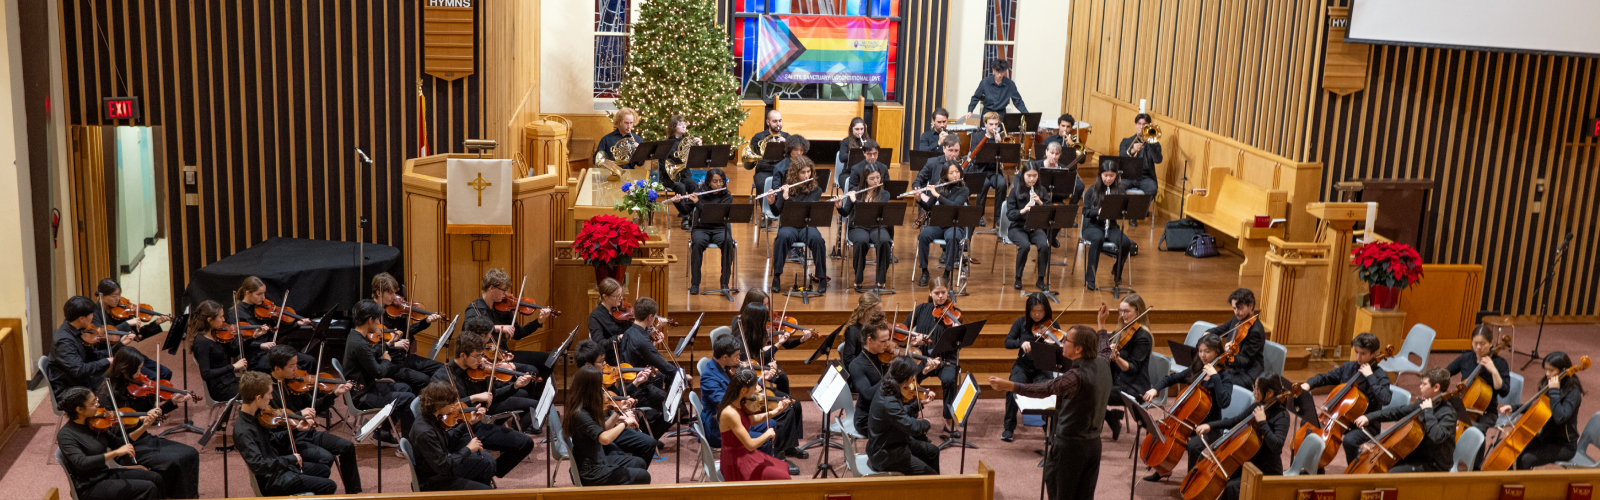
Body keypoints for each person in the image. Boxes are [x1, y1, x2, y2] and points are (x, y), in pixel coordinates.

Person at [990, 325, 1111, 500]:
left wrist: (1009, 385)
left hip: (1070, 448)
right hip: (1094, 445)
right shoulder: (1103, 363)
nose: (1062, 343)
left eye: (1066, 340)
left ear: (1078, 349)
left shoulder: (1075, 377)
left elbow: (1045, 388)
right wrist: (1102, 326)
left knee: (1061, 493)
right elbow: (1105, 348)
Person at [430, 328, 537, 477]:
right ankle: (484, 474)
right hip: (456, 432)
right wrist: (473, 398)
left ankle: (492, 473)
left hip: (477, 425)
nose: (481, 360)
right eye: (477, 356)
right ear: (462, 355)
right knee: (486, 463)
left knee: (525, 443)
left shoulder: (476, 372)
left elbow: (493, 396)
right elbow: (441, 409)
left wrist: (515, 386)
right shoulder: (442, 377)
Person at [97, 347, 202, 499]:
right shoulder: (107, 396)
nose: (143, 374)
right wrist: (145, 425)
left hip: (144, 439)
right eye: (138, 370)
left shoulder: (138, 387)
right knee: (171, 462)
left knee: (191, 453)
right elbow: (118, 438)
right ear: (124, 370)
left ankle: (186, 497)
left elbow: (150, 414)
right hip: (128, 446)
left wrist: (171, 402)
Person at [262, 345, 361, 493]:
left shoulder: (295, 384)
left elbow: (314, 407)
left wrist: (334, 394)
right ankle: (311, 488)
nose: (296, 370)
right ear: (277, 369)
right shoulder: (268, 393)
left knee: (347, 446)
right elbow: (274, 424)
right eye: (291, 366)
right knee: (326, 458)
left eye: (296, 364)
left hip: (308, 433)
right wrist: (300, 414)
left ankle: (354, 493)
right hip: (291, 440)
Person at [1140, 333, 1234, 482]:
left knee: (1193, 446)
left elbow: (1225, 402)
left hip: (1210, 426)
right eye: (1200, 351)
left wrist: (1215, 376)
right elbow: (1171, 378)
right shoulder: (1197, 368)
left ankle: (1191, 481)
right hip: (1188, 422)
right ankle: (1162, 469)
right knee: (1156, 427)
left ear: (1218, 352)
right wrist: (1155, 389)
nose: (1202, 355)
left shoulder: (1225, 376)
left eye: (1207, 351)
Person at [730, 300, 810, 466]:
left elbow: (757, 361)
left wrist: (764, 369)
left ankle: (790, 446)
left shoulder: (753, 337)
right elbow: (741, 373)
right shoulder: (741, 342)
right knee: (786, 407)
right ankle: (778, 453)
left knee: (795, 404)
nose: (766, 325)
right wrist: (761, 376)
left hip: (756, 384)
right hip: (747, 395)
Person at [233, 371, 338, 496]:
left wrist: (296, 429)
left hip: (279, 469)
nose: (271, 398)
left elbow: (272, 439)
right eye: (269, 394)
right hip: (274, 481)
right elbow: (258, 465)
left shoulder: (256, 417)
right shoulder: (244, 431)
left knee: (323, 470)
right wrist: (290, 459)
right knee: (329, 485)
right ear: (258, 398)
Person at [55, 386, 168, 500]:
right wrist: (115, 453)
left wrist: (144, 426)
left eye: (96, 400)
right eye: (93, 403)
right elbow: (82, 462)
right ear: (80, 409)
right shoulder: (66, 435)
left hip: (105, 475)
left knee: (155, 477)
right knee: (148, 488)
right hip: (90, 486)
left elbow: (118, 443)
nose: (98, 405)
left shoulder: (94, 423)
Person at [1190, 375, 1292, 500]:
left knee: (1232, 487)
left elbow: (1276, 446)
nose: (1253, 391)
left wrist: (1263, 423)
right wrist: (1210, 426)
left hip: (1266, 471)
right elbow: (1236, 420)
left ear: (1270, 393)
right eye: (1254, 387)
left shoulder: (1282, 416)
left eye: (1257, 389)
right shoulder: (1257, 406)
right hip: (1249, 463)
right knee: (1226, 476)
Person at [1301, 332, 1394, 464]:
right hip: (1341, 418)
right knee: (1308, 422)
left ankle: (1352, 472)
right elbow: (1326, 377)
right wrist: (1308, 384)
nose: (1358, 357)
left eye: (1363, 354)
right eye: (1356, 352)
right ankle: (1313, 466)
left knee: (1349, 441)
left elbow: (1385, 399)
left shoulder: (1380, 376)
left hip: (1365, 424)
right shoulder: (1349, 367)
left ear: (1374, 354)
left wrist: (1370, 376)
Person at [462, 268, 554, 388]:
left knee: (547, 360)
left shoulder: (502, 308)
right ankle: (528, 400)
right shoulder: (474, 309)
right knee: (531, 371)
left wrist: (538, 321)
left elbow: (518, 333)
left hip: (505, 353)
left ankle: (537, 400)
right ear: (491, 288)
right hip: (489, 358)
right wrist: (497, 328)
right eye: (503, 290)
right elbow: (468, 327)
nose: (506, 294)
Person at [1352, 367, 1456, 473]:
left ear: (1436, 387)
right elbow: (1397, 412)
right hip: (1416, 455)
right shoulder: (1426, 403)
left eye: (1424, 384)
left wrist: (1428, 411)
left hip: (1433, 465)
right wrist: (1369, 417)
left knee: (1389, 475)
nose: (1420, 387)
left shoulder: (1448, 413)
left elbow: (1436, 436)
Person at [574, 340, 666, 457]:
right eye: (601, 361)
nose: (605, 364)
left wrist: (636, 382)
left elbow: (616, 398)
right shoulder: (584, 388)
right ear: (588, 365)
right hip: (599, 434)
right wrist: (621, 420)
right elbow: (596, 423)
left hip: (608, 424)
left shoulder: (600, 380)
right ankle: (633, 469)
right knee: (646, 444)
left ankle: (635, 469)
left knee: (648, 443)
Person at [341, 299, 416, 442]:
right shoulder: (360, 344)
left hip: (365, 387)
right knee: (409, 399)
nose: (378, 324)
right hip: (362, 395)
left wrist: (388, 344)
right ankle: (407, 444)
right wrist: (387, 360)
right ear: (370, 320)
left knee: (406, 387)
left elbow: (370, 355)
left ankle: (384, 432)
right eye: (377, 320)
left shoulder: (354, 335)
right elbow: (379, 373)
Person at [565, 365, 652, 485]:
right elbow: (604, 439)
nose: (602, 390)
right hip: (591, 472)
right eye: (599, 386)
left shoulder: (583, 406)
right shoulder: (580, 414)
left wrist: (618, 412)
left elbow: (602, 429)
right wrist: (625, 423)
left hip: (596, 459)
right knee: (643, 476)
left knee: (639, 462)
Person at [1498, 351, 1585, 470]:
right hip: (1546, 438)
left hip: (1563, 445)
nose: (1547, 374)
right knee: (1512, 446)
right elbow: (1541, 408)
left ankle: (1523, 486)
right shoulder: (1551, 382)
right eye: (1546, 370)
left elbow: (1559, 417)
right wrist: (1515, 407)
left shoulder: (1573, 393)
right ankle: (1512, 483)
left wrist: (1554, 391)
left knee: (1526, 458)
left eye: (1551, 370)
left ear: (1564, 370)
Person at [409, 381, 498, 490]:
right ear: (439, 404)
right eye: (451, 404)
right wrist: (468, 449)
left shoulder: (432, 416)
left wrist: (468, 423)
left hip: (441, 470)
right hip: (434, 481)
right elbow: (444, 466)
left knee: (487, 464)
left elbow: (447, 440)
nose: (454, 407)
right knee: (486, 491)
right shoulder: (425, 432)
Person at [1001, 293, 1061, 442]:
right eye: (1033, 311)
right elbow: (1008, 341)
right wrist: (1020, 343)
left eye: (1040, 311)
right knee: (1012, 388)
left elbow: (1059, 349)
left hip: (1043, 367)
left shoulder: (1053, 326)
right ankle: (1009, 428)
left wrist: (1054, 343)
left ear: (1046, 310)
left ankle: (1048, 431)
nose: (1037, 314)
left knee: (1048, 393)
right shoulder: (1021, 323)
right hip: (1023, 366)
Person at [718, 366, 796, 481]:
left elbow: (751, 420)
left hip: (744, 453)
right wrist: (767, 434)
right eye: (754, 387)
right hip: (736, 461)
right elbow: (750, 445)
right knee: (783, 477)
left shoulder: (739, 402)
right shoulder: (730, 413)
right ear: (743, 390)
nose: (757, 389)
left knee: (783, 466)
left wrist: (776, 411)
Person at [765, 156, 829, 293]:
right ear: (795, 174)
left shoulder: (816, 190)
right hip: (789, 225)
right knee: (782, 238)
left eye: (808, 172)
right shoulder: (786, 189)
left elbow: (804, 209)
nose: (806, 175)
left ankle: (822, 277)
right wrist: (771, 203)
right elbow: (777, 213)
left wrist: (787, 199)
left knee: (818, 240)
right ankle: (776, 276)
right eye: (803, 172)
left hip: (808, 225)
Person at [870, 356, 942, 476]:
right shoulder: (889, 401)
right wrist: (926, 423)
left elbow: (900, 412)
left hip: (895, 442)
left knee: (933, 451)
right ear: (907, 379)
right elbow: (912, 427)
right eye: (912, 379)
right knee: (930, 475)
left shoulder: (888, 386)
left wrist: (919, 404)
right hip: (887, 454)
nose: (913, 384)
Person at [372, 273, 448, 383]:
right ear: (378, 293)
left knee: (442, 368)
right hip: (389, 363)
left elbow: (406, 332)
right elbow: (371, 348)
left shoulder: (394, 311)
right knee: (424, 380)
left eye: (395, 292)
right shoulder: (371, 315)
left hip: (404, 357)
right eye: (390, 293)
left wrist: (426, 321)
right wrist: (393, 345)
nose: (394, 297)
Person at [90, 279, 172, 381]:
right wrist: (126, 324)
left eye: (119, 295)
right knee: (152, 377)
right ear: (102, 296)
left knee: (165, 373)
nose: (118, 299)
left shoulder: (121, 311)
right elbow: (102, 334)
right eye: (114, 296)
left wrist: (155, 323)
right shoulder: (94, 314)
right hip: (112, 354)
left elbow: (138, 336)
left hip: (126, 352)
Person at [908, 278, 961, 435]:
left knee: (950, 379)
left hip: (945, 359)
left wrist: (957, 331)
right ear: (930, 293)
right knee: (908, 378)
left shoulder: (954, 313)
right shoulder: (921, 309)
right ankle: (910, 415)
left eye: (943, 292)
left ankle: (948, 419)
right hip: (922, 358)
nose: (940, 297)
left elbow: (959, 343)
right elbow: (904, 331)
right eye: (936, 293)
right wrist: (913, 340)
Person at [1098, 295, 1153, 441]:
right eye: (1120, 311)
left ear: (1138, 310)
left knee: (1095, 394)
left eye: (1127, 311)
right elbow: (1103, 348)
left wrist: (1117, 358)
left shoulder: (1143, 337)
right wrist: (1101, 322)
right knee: (1087, 388)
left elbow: (1133, 368)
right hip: (1117, 382)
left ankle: (1109, 420)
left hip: (1133, 386)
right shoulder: (1121, 331)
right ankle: (1111, 417)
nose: (1123, 315)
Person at [229, 277, 313, 372]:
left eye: (264, 293)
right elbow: (237, 345)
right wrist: (261, 345)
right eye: (259, 294)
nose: (263, 297)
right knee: (294, 369)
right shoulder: (236, 313)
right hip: (254, 358)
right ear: (248, 293)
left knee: (309, 360)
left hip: (270, 353)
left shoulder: (263, 309)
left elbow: (274, 333)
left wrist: (297, 324)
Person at [50, 296, 120, 398]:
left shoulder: (75, 330)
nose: (92, 317)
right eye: (91, 314)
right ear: (81, 319)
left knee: (119, 381)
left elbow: (92, 356)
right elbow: (80, 370)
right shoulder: (64, 341)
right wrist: (107, 361)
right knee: (117, 390)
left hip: (80, 380)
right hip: (72, 389)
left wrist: (119, 346)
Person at [915, 162, 972, 287]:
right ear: (945, 175)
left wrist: (937, 195)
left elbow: (955, 205)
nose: (955, 175)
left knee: (953, 237)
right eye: (951, 173)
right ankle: (924, 271)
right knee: (923, 236)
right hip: (939, 223)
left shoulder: (964, 189)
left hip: (955, 225)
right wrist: (919, 200)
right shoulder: (940, 186)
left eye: (957, 172)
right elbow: (929, 207)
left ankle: (947, 272)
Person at [1446, 324, 1510, 434]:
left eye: (1483, 344)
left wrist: (1494, 371)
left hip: (1486, 412)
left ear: (1491, 343)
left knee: (1475, 433)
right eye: (1475, 343)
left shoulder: (1500, 364)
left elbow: (1504, 391)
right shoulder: (1466, 358)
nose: (1479, 347)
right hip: (1462, 404)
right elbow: (1446, 372)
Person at [837, 168, 893, 290]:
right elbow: (846, 213)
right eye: (872, 179)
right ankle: (858, 279)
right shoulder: (856, 191)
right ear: (865, 180)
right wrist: (839, 207)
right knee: (861, 241)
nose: (875, 181)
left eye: (878, 177)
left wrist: (855, 201)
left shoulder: (884, 194)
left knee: (884, 241)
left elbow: (872, 211)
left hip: (877, 226)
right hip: (858, 226)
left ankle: (881, 280)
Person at [1081, 164, 1134, 290]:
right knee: (1097, 239)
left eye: (1112, 176)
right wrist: (1098, 212)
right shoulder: (1092, 190)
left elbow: (1125, 209)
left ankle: (1117, 271)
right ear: (1100, 175)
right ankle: (1091, 279)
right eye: (1106, 175)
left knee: (1125, 242)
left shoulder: (1120, 191)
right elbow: (1085, 211)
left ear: (1116, 176)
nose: (1108, 179)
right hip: (1093, 226)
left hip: (1111, 227)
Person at [684, 168, 736, 295]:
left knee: (728, 242)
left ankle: (724, 283)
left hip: (719, 228)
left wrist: (698, 203)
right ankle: (695, 283)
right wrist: (678, 202)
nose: (719, 184)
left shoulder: (727, 197)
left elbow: (715, 214)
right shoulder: (699, 192)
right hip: (701, 228)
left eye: (721, 181)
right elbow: (685, 210)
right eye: (715, 181)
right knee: (697, 244)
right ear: (708, 182)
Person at [1208, 288, 1267, 388]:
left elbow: (1245, 360)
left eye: (1240, 308)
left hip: (1247, 373)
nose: (1236, 312)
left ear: (1251, 306)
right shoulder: (1238, 318)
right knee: (1206, 373)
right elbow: (1223, 329)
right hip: (1234, 367)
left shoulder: (1255, 331)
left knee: (1215, 380)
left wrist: (1227, 356)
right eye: (1234, 308)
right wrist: (1208, 333)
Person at [1006, 167, 1054, 291]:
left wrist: (1040, 202)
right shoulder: (1014, 191)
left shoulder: (1041, 190)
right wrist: (1023, 210)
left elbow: (1050, 211)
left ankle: (1041, 279)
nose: (1032, 179)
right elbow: (1010, 215)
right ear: (1023, 175)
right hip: (1017, 228)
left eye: (1035, 175)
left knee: (1044, 245)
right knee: (1025, 245)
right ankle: (1018, 278)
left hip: (1035, 227)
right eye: (1029, 175)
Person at [188, 300, 245, 402]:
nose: (224, 320)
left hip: (230, 381)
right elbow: (206, 374)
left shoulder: (217, 333)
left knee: (260, 384)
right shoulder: (201, 342)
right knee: (255, 391)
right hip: (220, 388)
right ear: (209, 320)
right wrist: (233, 367)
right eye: (221, 317)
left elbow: (233, 352)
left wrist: (250, 337)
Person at [698, 335, 746, 449]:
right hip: (718, 428)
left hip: (729, 420)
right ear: (725, 357)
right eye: (736, 356)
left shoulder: (723, 366)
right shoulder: (709, 377)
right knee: (764, 435)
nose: (739, 358)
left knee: (770, 424)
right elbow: (725, 402)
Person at [847, 321, 894, 434]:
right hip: (867, 418)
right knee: (906, 429)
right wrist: (891, 373)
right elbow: (868, 395)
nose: (887, 344)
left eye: (888, 339)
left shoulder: (885, 356)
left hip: (886, 411)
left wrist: (924, 369)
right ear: (869, 340)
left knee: (911, 424)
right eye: (883, 341)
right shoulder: (857, 365)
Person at [660, 115, 701, 229]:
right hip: (670, 177)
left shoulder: (688, 141)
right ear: (673, 127)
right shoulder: (667, 144)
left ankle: (692, 213)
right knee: (680, 187)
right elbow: (663, 164)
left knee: (693, 185)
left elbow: (695, 159)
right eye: (680, 124)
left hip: (685, 173)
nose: (684, 126)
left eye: (684, 123)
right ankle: (685, 217)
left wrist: (698, 146)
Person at [967, 112, 1009, 224]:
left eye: (996, 124)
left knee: (1002, 184)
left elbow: (1006, 158)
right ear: (985, 124)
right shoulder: (977, 136)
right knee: (983, 184)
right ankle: (979, 215)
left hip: (994, 170)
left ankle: (998, 216)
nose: (994, 127)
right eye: (991, 124)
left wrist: (999, 143)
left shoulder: (1001, 137)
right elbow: (974, 157)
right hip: (980, 170)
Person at [962, 59, 1028, 121]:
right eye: (998, 71)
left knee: (1001, 132)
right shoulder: (985, 82)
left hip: (1001, 114)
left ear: (1005, 71)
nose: (1000, 75)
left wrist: (1027, 114)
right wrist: (970, 111)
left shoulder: (1010, 84)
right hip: (987, 113)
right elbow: (976, 97)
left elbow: (1018, 101)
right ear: (993, 70)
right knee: (985, 132)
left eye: (1002, 72)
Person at [587, 278, 634, 360]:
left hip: (629, 353)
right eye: (617, 296)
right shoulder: (595, 317)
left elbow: (635, 329)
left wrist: (650, 331)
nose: (621, 298)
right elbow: (600, 344)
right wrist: (618, 338)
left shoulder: (622, 309)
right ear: (605, 297)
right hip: (612, 358)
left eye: (621, 294)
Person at [746, 109, 791, 193]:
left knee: (790, 184)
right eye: (774, 121)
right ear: (768, 122)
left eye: (780, 121)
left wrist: (786, 143)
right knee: (761, 183)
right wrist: (768, 146)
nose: (778, 124)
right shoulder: (759, 137)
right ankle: (765, 205)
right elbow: (753, 152)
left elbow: (794, 153)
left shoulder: (787, 137)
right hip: (764, 170)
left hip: (782, 170)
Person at [1117, 113, 1162, 195]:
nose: (1141, 127)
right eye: (1139, 124)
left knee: (1152, 189)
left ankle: (1142, 208)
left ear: (1148, 126)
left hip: (1146, 178)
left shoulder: (1155, 144)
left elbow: (1158, 160)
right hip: (1128, 177)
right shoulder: (1126, 141)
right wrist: (1132, 150)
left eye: (1144, 124)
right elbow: (1121, 159)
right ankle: (1127, 207)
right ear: (1135, 125)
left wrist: (1150, 142)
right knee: (1118, 188)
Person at [839, 292, 883, 367]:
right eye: (877, 311)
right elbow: (849, 360)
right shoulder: (852, 331)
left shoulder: (876, 327)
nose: (880, 314)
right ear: (867, 311)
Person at [837, 117, 871, 186]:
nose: (860, 132)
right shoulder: (846, 142)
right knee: (851, 186)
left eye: (862, 129)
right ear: (851, 129)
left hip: (864, 173)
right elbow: (842, 157)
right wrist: (857, 152)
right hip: (848, 173)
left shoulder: (868, 142)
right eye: (857, 129)